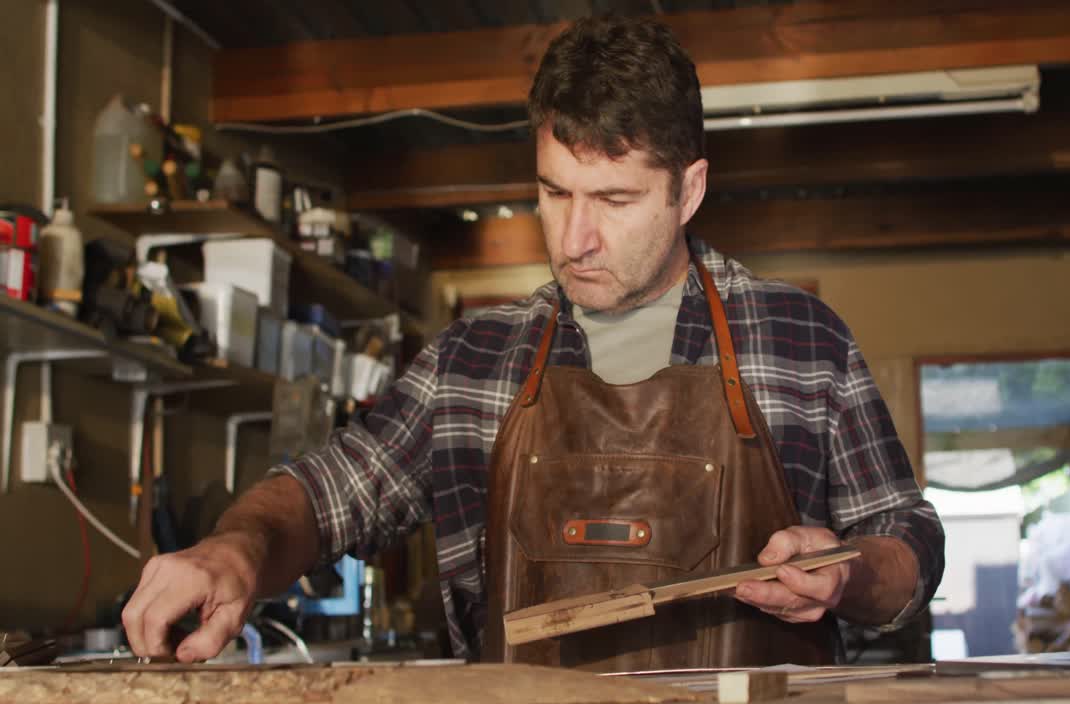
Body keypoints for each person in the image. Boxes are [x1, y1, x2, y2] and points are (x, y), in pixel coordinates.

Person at [123, 16, 943, 670]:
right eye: (554, 192)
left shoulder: (800, 341)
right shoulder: (474, 360)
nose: (574, 238)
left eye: (615, 200)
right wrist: (236, 548)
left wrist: (851, 570)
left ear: (688, 190)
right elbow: (327, 494)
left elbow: (907, 538)